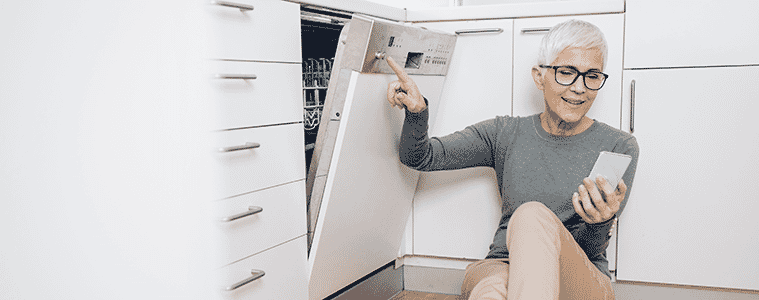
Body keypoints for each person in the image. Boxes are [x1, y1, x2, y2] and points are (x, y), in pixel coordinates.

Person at [385, 19, 638, 300]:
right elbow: (420, 157)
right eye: (567, 72)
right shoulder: (505, 133)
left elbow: (591, 251)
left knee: (531, 215)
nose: (580, 87)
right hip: (503, 265)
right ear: (539, 76)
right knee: (491, 291)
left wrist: (602, 221)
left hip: (581, 280)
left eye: (592, 76)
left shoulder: (619, 145)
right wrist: (417, 111)